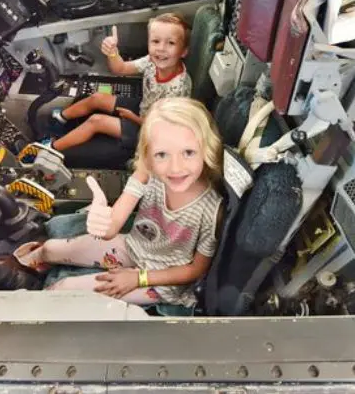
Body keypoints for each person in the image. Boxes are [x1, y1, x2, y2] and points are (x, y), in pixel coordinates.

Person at [15, 97, 223, 307]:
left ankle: (25, 309)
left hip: (161, 282)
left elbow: (195, 270)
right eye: (162, 154)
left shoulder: (212, 210)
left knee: (63, 289)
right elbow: (112, 226)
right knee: (50, 248)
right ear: (148, 155)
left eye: (188, 152)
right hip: (134, 248)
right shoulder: (147, 173)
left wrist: (139, 278)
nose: (175, 167)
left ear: (206, 148)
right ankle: (20, 269)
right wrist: (103, 223)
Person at [41, 12, 193, 153]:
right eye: (155, 41)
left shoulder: (177, 87)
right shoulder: (151, 61)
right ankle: (59, 119)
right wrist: (113, 53)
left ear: (184, 51)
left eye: (171, 43)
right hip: (145, 109)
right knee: (97, 98)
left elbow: (161, 128)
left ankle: (50, 150)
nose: (161, 49)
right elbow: (120, 68)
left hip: (152, 132)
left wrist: (132, 117)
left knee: (96, 121)